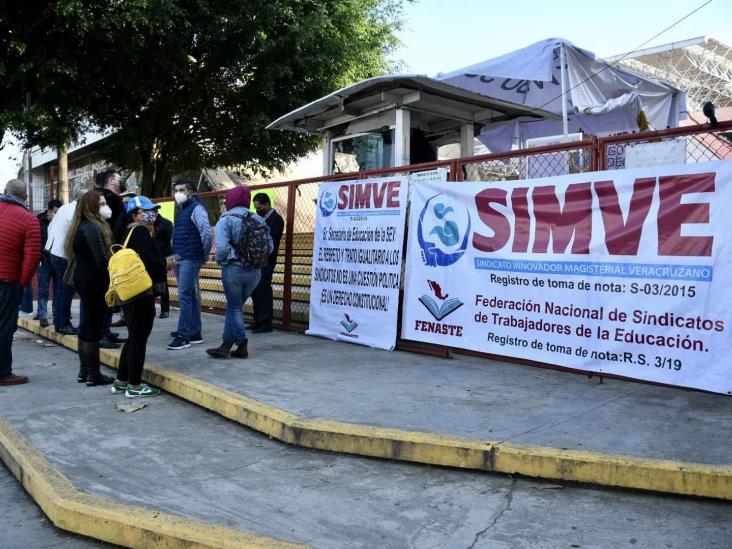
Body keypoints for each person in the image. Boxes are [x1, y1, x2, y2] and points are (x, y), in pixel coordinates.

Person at [206, 186, 272, 359]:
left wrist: (221, 261)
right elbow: (270, 247)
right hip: (255, 271)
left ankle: (242, 343)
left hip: (234, 269)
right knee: (235, 307)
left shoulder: (226, 219)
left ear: (231, 200)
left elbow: (221, 248)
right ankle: (226, 345)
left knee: (234, 307)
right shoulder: (259, 219)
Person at [110, 196, 165, 398]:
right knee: (139, 338)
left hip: (128, 291)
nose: (153, 213)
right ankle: (134, 385)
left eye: (154, 210)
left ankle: (121, 380)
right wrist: (164, 263)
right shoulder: (141, 232)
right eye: (147, 211)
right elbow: (153, 263)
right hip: (141, 292)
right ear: (135, 215)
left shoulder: (126, 232)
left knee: (133, 336)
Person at [65, 190, 115, 386]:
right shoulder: (92, 228)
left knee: (87, 326)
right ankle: (93, 374)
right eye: (101, 204)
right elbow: (101, 258)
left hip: (85, 280)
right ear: (92, 207)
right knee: (92, 328)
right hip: (94, 281)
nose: (105, 207)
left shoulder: (83, 226)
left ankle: (85, 371)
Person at [0, 180, 41, 386]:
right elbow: (32, 257)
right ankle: (3, 372)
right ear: (25, 197)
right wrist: (21, 283)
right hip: (7, 281)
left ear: (5, 191)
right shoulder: (28, 219)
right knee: (4, 328)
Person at [167, 180, 211, 350]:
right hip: (181, 257)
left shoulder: (196, 208)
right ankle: (195, 332)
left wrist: (204, 255)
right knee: (190, 295)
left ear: (190, 192)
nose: (178, 193)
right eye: (176, 190)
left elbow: (206, 233)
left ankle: (183, 335)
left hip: (191, 257)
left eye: (182, 190)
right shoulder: (182, 209)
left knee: (185, 295)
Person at [45, 188, 85, 335]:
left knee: (60, 290)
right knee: (66, 290)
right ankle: (64, 323)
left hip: (55, 252)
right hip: (64, 255)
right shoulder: (75, 212)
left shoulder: (64, 209)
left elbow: (51, 226)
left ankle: (58, 321)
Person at [95, 170, 126, 349]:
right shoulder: (110, 199)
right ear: (111, 181)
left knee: (109, 296)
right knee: (106, 296)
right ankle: (102, 333)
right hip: (111, 252)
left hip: (113, 250)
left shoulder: (110, 198)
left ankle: (105, 331)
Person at [250, 193, 284, 333]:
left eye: (259, 207)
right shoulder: (258, 218)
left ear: (266, 204)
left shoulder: (276, 219)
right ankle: (257, 320)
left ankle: (265, 322)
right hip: (255, 260)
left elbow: (272, 241)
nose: (257, 210)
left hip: (267, 260)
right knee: (255, 291)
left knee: (263, 290)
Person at [34, 199, 63, 328]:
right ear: (49, 211)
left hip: (58, 259)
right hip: (44, 260)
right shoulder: (39, 222)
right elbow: (35, 240)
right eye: (56, 212)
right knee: (43, 289)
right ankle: (43, 316)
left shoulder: (62, 222)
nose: (57, 215)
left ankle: (57, 316)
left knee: (58, 290)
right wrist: (41, 255)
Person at [153, 207, 174, 319]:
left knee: (163, 284)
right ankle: (151, 310)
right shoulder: (146, 224)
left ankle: (165, 309)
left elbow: (169, 242)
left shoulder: (166, 224)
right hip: (151, 257)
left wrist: (170, 258)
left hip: (162, 257)